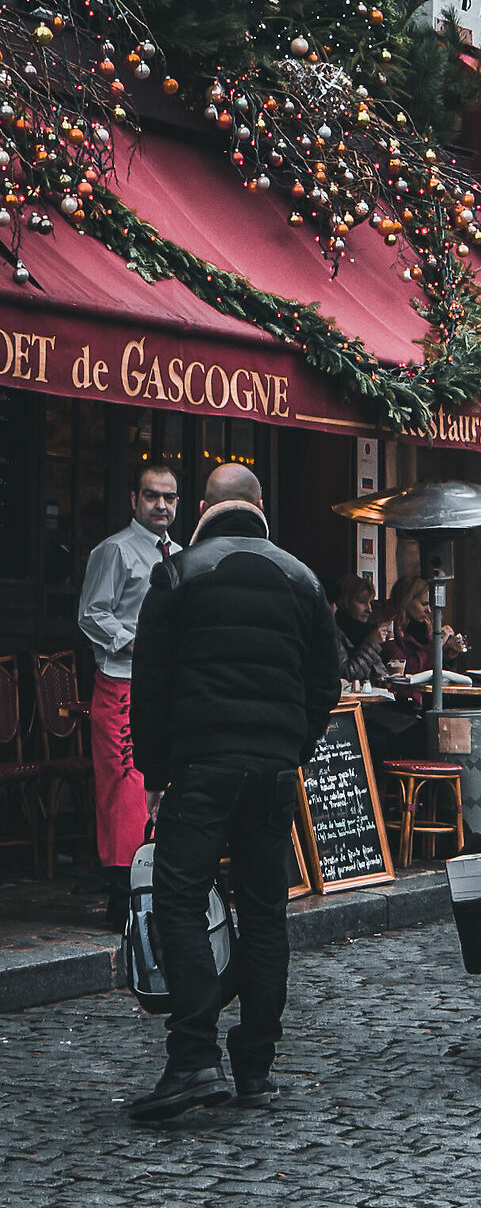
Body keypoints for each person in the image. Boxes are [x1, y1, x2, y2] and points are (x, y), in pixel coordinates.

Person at [127, 462, 341, 1125]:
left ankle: (194, 1055)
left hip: (201, 765)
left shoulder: (177, 573)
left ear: (203, 509)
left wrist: (154, 774)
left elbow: (149, 685)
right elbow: (326, 683)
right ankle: (256, 1066)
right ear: (259, 505)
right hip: (273, 770)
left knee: (180, 901)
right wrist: (293, 748)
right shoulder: (303, 580)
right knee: (265, 912)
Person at [77, 463, 182, 932]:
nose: (161, 505)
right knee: (124, 787)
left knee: (166, 780)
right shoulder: (115, 550)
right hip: (121, 682)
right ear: (134, 500)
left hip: (168, 686)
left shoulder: (182, 556)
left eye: (169, 497)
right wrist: (134, 642)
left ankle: (160, 885)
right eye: (152, 495)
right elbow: (91, 613)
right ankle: (124, 895)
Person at [382, 573, 467, 674]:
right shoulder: (387, 630)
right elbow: (404, 671)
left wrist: (447, 656)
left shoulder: (426, 627)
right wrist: (435, 645)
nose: (429, 610)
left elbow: (441, 676)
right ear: (405, 601)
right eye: (424, 604)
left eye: (430, 604)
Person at [332, 573, 389, 687]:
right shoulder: (334, 633)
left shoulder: (364, 631)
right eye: (362, 602)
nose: (369, 609)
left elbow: (381, 675)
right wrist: (372, 643)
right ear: (346, 602)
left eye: (370, 603)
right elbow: (347, 675)